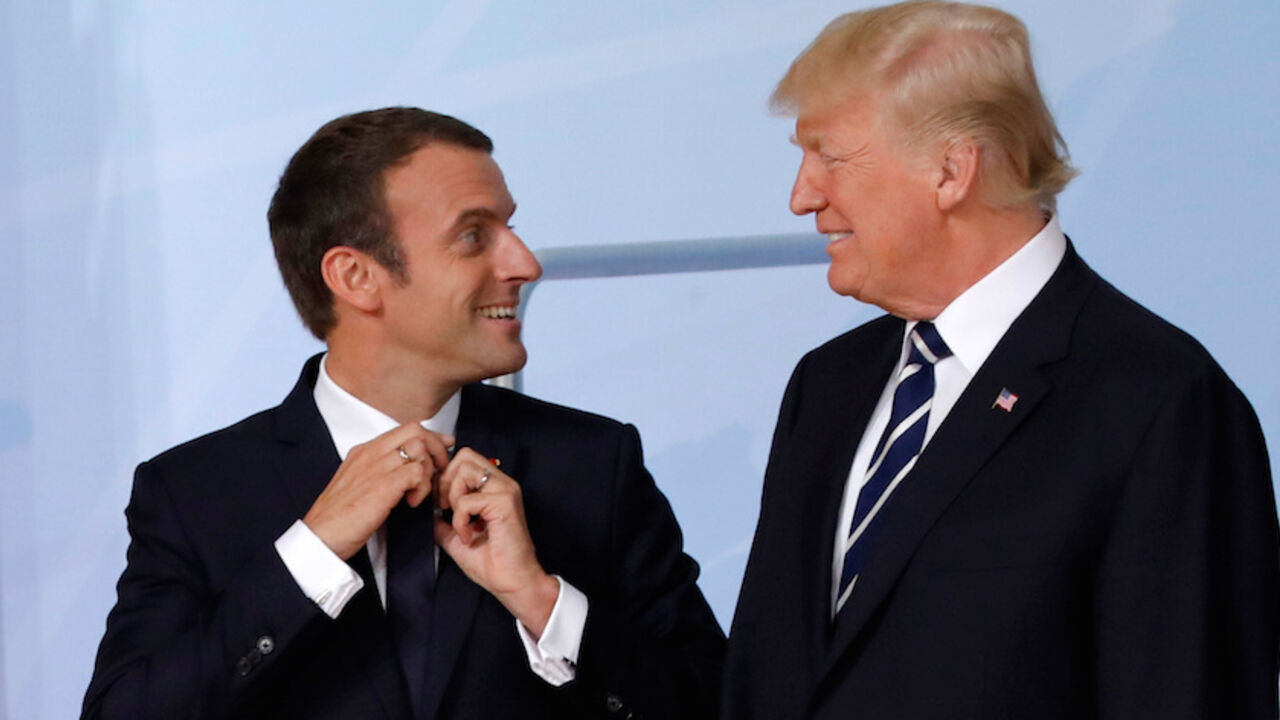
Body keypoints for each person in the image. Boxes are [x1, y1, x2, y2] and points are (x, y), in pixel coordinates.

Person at [723, 2, 1280, 718]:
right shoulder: (826, 385)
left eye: (829, 157)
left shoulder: (1159, 403)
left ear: (952, 170)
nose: (802, 196)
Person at [83, 107, 724, 720]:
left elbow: (719, 707)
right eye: (473, 236)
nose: (525, 264)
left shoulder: (593, 465)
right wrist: (310, 553)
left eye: (510, 227)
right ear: (355, 276)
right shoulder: (194, 492)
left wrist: (542, 601)